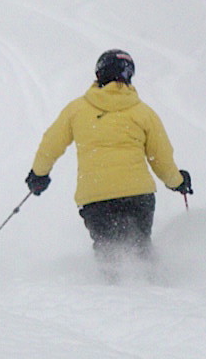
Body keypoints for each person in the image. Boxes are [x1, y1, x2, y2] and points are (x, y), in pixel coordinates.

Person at [25, 49, 192, 278]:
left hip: (96, 198)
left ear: (99, 73)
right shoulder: (143, 113)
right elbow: (161, 159)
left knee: (109, 256)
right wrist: (178, 182)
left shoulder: (77, 109)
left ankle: (113, 297)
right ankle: (153, 291)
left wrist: (39, 174)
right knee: (140, 248)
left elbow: (50, 144)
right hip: (138, 195)